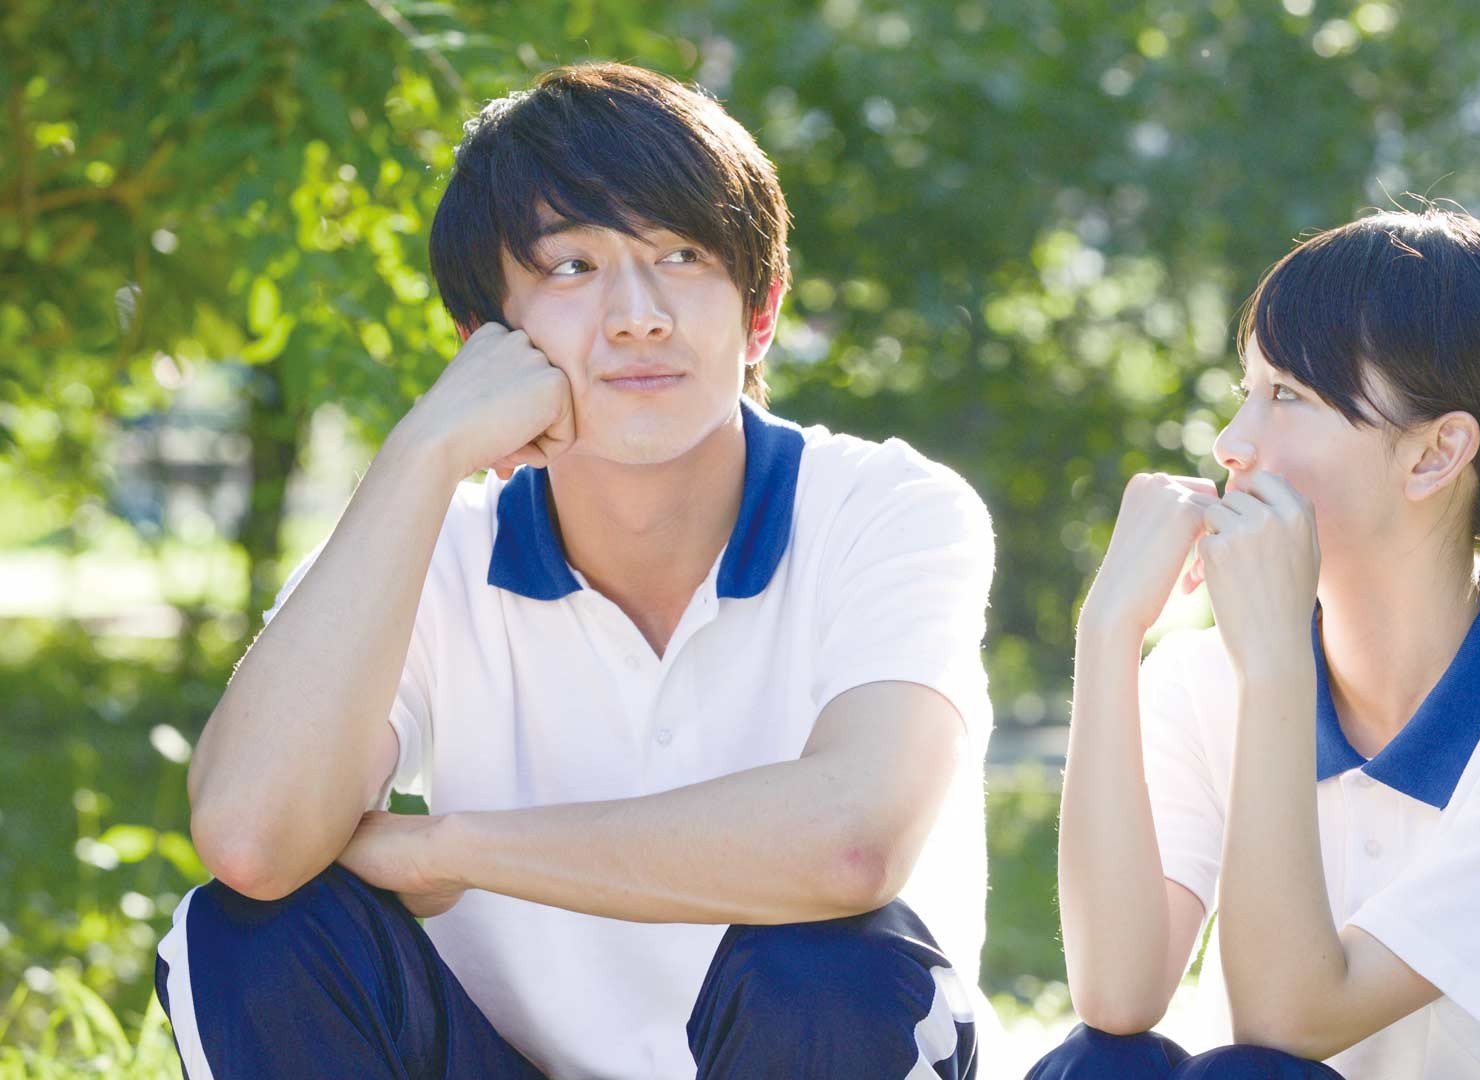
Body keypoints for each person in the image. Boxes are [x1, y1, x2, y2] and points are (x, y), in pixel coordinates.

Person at [156, 62, 997, 1080]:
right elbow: (251, 838)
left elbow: (852, 843)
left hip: (810, 1047)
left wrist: (448, 848)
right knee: (248, 932)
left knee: (827, 967)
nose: (638, 315)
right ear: (485, 340)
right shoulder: (429, 542)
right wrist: (422, 451)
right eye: (570, 266)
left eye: (682, 255)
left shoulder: (887, 510)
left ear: (760, 311)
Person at [1026, 205, 1480, 1079]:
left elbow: (1286, 1022)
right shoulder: (1203, 680)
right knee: (1098, 1065)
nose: (1231, 444)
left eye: (1288, 395)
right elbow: (1116, 994)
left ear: (1435, 455)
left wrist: (1276, 670)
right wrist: (1107, 632)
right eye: (1247, 390)